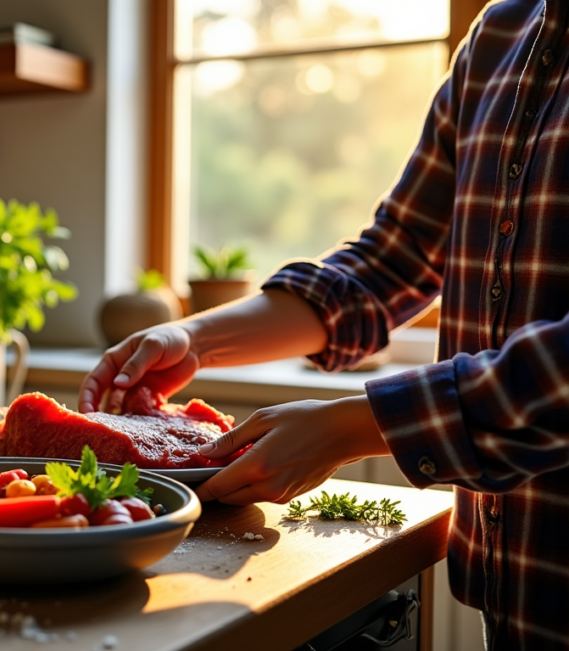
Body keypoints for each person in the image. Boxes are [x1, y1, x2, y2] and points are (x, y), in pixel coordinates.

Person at [79, 1, 569, 648]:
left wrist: (348, 427)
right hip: (506, 589)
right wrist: (195, 339)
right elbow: (391, 261)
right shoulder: (499, 37)